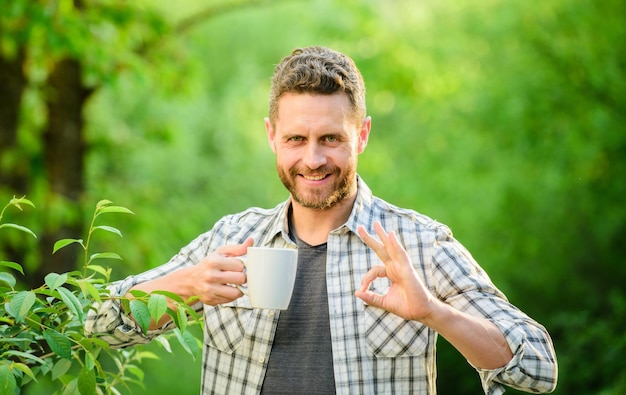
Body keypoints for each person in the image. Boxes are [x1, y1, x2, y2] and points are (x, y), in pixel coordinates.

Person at [85, 46, 558, 394]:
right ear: (272, 136)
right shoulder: (231, 239)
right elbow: (95, 322)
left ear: (363, 134)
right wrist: (186, 284)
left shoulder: (419, 244)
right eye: (296, 139)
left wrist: (435, 312)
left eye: (331, 138)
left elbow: (538, 367)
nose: (312, 159)